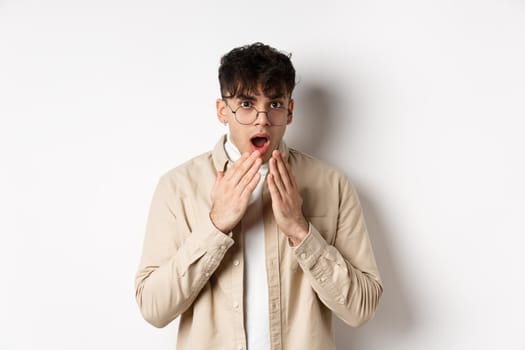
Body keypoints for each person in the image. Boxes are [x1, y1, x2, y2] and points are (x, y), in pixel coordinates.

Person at [135, 42, 383, 350]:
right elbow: (153, 308)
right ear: (222, 111)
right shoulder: (177, 188)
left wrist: (301, 230)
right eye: (247, 104)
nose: (262, 119)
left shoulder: (333, 185)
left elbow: (361, 308)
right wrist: (215, 226)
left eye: (275, 105)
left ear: (290, 111)